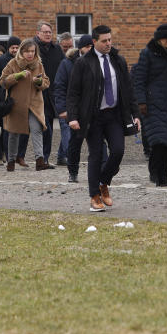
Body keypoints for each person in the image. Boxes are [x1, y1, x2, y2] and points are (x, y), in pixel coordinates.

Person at [67, 25, 139, 212]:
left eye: (110, 40)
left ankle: (103, 182)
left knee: (118, 151)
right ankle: (94, 196)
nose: (108, 44)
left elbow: (128, 90)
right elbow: (73, 93)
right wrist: (73, 117)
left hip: (114, 115)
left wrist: (136, 114)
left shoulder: (118, 60)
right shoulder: (83, 63)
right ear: (94, 42)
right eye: (104, 41)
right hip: (93, 117)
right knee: (96, 155)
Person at [133, 23, 167, 187]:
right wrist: (141, 102)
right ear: (159, 39)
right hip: (151, 104)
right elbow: (139, 80)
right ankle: (156, 174)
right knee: (159, 141)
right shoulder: (147, 54)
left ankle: (162, 177)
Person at [1, 38, 50, 170]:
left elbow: (46, 82)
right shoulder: (13, 63)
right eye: (27, 51)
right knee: (14, 133)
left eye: (32, 51)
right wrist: (17, 76)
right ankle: (11, 161)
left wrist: (39, 82)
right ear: (21, 52)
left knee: (37, 129)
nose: (30, 54)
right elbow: (3, 81)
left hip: (34, 105)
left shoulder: (39, 64)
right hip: (17, 105)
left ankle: (40, 160)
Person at [55, 35, 93, 183]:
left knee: (98, 142)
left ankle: (103, 169)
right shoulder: (67, 64)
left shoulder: (98, 61)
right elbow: (60, 87)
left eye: (91, 46)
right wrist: (63, 109)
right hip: (75, 110)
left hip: (94, 109)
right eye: (87, 47)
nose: (89, 49)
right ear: (81, 48)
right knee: (75, 142)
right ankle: (73, 172)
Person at [35, 21, 65, 166]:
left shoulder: (57, 50)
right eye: (45, 32)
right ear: (38, 33)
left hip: (52, 93)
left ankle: (44, 158)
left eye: (50, 32)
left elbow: (62, 69)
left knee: (49, 127)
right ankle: (17, 156)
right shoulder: (32, 48)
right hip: (36, 93)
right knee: (38, 127)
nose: (48, 35)